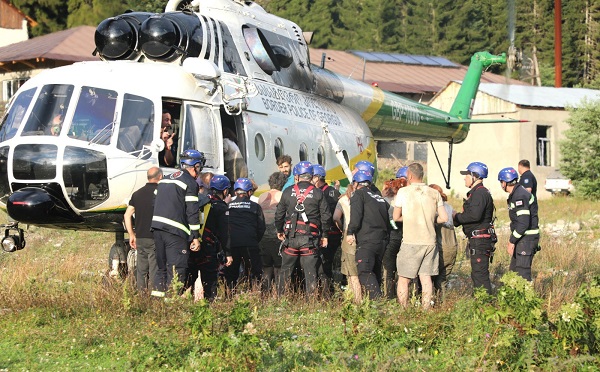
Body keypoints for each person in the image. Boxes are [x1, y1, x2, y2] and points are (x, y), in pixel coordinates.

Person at [393, 163, 447, 309]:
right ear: (422, 175)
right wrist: (429, 219)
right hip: (430, 242)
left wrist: (410, 217)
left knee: (404, 279)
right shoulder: (434, 193)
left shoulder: (403, 192)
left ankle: (404, 309)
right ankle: (426, 309)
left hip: (411, 242)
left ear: (409, 175)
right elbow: (444, 218)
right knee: (426, 278)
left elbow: (396, 217)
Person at [151, 150, 203, 297]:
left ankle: (157, 305)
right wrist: (195, 237)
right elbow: (192, 212)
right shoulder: (190, 183)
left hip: (158, 229)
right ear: (196, 166)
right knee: (177, 270)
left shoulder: (165, 179)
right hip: (175, 233)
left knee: (161, 270)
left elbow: (153, 203)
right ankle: (171, 306)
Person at [275, 161, 331, 296]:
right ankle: (310, 302)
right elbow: (326, 216)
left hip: (291, 238)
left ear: (297, 176)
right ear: (312, 176)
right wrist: (325, 235)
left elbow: (279, 215)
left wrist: (279, 231)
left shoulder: (288, 192)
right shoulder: (318, 193)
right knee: (310, 272)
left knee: (285, 271)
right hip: (309, 239)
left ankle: (281, 300)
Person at [188, 174, 233, 301]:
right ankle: (208, 306)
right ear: (225, 191)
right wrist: (228, 253)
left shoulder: (202, 201)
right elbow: (225, 233)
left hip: (193, 245)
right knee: (209, 283)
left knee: (187, 281)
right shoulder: (221, 207)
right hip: (208, 250)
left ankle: (183, 306)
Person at [453, 162, 496, 295]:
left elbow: (474, 215)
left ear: (475, 176)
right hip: (478, 239)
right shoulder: (477, 193)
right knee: (477, 273)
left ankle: (485, 306)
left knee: (480, 275)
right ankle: (482, 303)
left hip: (480, 241)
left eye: (467, 175)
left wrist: (456, 217)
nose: (464, 178)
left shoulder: (480, 194)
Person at [347, 170, 391, 300]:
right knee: (375, 273)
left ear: (355, 183)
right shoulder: (380, 199)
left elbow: (356, 216)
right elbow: (389, 221)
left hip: (367, 240)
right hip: (381, 241)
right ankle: (374, 305)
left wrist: (350, 232)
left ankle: (377, 304)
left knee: (365, 271)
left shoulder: (358, 195)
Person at [124, 167, 163, 293]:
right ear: (160, 177)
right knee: (154, 270)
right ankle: (153, 298)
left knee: (141, 270)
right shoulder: (161, 193)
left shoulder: (137, 194)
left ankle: (141, 296)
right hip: (154, 237)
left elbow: (127, 215)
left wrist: (131, 234)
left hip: (140, 237)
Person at [498, 167, 540, 281]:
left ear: (504, 182)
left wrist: (512, 241)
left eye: (501, 182)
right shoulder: (518, 192)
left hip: (526, 238)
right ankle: (514, 297)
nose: (501, 185)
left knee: (522, 275)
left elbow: (523, 223)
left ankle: (527, 298)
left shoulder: (519, 196)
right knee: (514, 273)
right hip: (522, 238)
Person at [225, 177, 266, 292]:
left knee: (231, 274)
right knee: (254, 273)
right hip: (250, 244)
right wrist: (254, 240)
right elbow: (262, 227)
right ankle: (254, 294)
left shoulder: (228, 206)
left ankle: (230, 296)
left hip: (232, 245)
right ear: (249, 192)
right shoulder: (255, 206)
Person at [311, 164, 341, 296]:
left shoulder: (318, 193)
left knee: (323, 266)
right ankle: (328, 291)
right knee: (328, 264)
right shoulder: (335, 192)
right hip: (335, 233)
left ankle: (325, 294)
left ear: (317, 178)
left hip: (325, 235)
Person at [258, 172, 287, 293]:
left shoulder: (262, 196)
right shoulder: (283, 195)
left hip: (263, 237)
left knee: (266, 267)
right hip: (278, 236)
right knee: (279, 267)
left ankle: (265, 294)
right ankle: (279, 294)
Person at [333, 183, 361, 303]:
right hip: (365, 235)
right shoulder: (368, 197)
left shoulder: (344, 199)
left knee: (351, 273)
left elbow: (336, 217)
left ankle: (356, 300)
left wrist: (341, 228)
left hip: (348, 235)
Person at [429, 184, 458, 296]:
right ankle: (443, 303)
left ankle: (431, 304)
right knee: (442, 280)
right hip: (453, 247)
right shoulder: (449, 207)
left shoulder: (435, 209)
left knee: (429, 279)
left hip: (440, 247)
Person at [381, 176, 407, 299]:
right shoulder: (407, 199)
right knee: (406, 271)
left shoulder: (385, 200)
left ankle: (389, 296)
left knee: (389, 270)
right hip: (405, 236)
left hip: (390, 235)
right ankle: (407, 295)